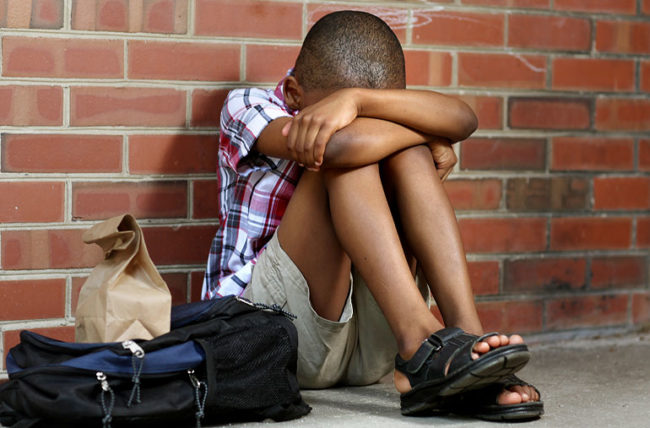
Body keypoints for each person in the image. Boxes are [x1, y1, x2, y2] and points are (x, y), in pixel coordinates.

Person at [202, 10, 543, 421]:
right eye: (342, 106)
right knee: (345, 157)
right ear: (294, 94)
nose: (359, 115)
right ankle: (422, 342)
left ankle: (465, 347)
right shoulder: (248, 105)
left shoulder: (361, 102)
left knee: (407, 153)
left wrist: (357, 102)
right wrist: (429, 132)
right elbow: (340, 148)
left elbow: (465, 118)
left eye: (379, 106)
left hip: (369, 347)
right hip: (272, 337)